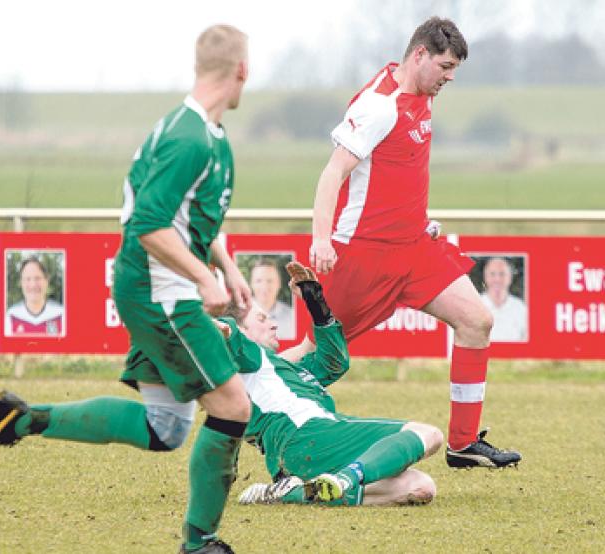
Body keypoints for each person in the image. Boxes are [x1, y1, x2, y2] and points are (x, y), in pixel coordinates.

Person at [0, 24, 253, 554]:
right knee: (234, 406)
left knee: (165, 428)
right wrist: (201, 277)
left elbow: (191, 218)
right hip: (159, 290)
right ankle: (201, 542)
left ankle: (23, 418)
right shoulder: (187, 138)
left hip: (157, 285)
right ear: (242, 70)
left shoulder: (203, 132)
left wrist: (227, 267)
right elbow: (149, 223)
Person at [305, 16, 520, 469]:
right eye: (444, 66)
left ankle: (462, 444)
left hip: (414, 250)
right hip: (363, 255)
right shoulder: (378, 106)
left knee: (477, 321)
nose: (450, 78)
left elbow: (396, 170)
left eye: (454, 70)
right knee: (320, 358)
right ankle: (247, 405)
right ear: (419, 54)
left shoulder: (422, 95)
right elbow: (333, 173)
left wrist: (417, 219)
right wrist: (321, 241)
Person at [228, 262, 442, 507]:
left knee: (421, 487)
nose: (273, 323)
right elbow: (220, 330)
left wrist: (317, 304)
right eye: (261, 318)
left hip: (313, 448)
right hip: (309, 434)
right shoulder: (245, 359)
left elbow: (333, 362)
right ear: (242, 334)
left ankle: (294, 493)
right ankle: (346, 478)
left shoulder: (281, 370)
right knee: (429, 434)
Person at [4, 256, 64, 336]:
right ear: (21, 283)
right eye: (27, 279)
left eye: (38, 278)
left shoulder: (61, 314)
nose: (33, 285)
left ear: (47, 281)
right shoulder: (11, 316)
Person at [479, 257, 528, 342]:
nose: (497, 279)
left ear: (510, 277)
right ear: (485, 277)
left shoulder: (521, 308)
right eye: (492, 274)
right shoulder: (474, 305)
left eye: (502, 274)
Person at [248, 259, 296, 340]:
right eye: (258, 281)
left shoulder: (292, 317)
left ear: (279, 284)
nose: (264, 286)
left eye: (270, 281)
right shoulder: (240, 316)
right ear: (251, 284)